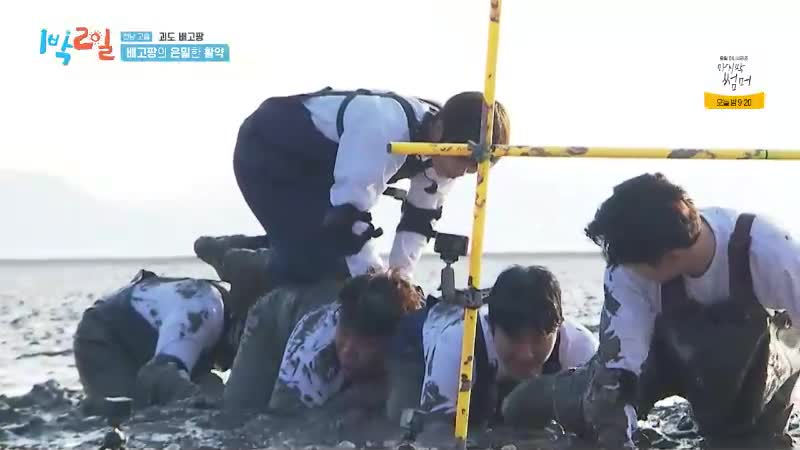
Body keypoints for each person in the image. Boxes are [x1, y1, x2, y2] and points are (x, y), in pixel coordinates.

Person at [503, 173, 800, 448]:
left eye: (633, 267)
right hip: (660, 356)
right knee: (586, 400)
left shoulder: (772, 252)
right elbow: (619, 372)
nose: (624, 271)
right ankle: (524, 401)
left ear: (671, 258)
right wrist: (616, 436)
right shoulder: (626, 267)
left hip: (754, 376)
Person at [226, 87, 511, 293]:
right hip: (269, 150)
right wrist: (378, 283)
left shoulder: (446, 150)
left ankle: (266, 247)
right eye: (463, 162)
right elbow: (347, 221)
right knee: (318, 266)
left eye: (473, 169)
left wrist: (402, 282)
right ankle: (238, 262)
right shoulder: (383, 127)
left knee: (333, 259)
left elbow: (419, 220)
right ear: (439, 130)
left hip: (323, 171)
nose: (463, 173)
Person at [227, 269, 425, 422]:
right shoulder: (312, 351)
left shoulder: (415, 344)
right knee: (237, 415)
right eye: (344, 336)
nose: (347, 351)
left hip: (322, 303)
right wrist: (355, 399)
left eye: (365, 344)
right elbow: (282, 429)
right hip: (273, 322)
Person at [417, 265, 598, 431]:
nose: (526, 354)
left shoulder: (581, 348)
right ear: (492, 326)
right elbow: (434, 430)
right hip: (433, 326)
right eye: (514, 338)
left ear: (558, 329)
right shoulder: (457, 343)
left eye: (538, 339)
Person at [72, 269, 243, 415]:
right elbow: (159, 374)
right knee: (124, 412)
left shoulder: (214, 312)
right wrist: (204, 406)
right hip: (106, 336)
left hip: (150, 341)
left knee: (211, 387)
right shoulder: (203, 312)